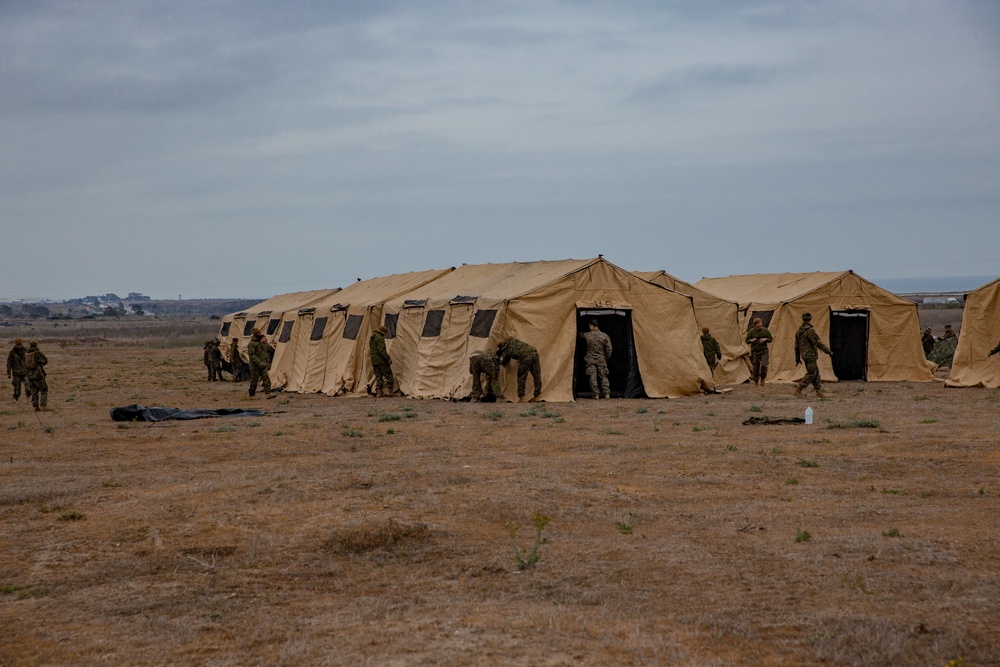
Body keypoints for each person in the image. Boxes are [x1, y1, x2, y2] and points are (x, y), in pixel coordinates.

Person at [794, 312, 832, 398]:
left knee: (816, 372)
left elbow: (796, 345)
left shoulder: (799, 331)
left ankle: (818, 391)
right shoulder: (810, 331)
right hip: (810, 355)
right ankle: (799, 389)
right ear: (810, 319)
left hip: (804, 355)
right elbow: (817, 343)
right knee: (812, 373)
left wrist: (797, 357)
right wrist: (828, 351)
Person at [496, 337, 542, 402]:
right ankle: (537, 396)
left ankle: (522, 397)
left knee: (521, 377)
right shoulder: (512, 340)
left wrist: (499, 361)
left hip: (525, 358)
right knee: (537, 376)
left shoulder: (506, 350)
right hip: (534, 353)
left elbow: (505, 362)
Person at [580, 320, 612, 399]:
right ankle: (606, 393)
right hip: (601, 359)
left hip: (591, 360)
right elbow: (609, 348)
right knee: (603, 376)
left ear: (591, 326)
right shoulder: (604, 336)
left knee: (592, 377)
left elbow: (581, 334)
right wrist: (606, 357)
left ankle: (595, 394)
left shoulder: (588, 335)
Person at [745, 318, 773, 386]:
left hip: (764, 350)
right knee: (755, 367)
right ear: (755, 325)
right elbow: (747, 340)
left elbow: (770, 339)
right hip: (755, 351)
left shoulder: (765, 330)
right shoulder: (751, 331)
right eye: (758, 323)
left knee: (764, 365)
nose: (760, 324)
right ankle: (756, 381)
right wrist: (751, 340)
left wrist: (765, 339)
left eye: (760, 323)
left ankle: (762, 378)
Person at [23, 339, 49, 412]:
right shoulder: (37, 353)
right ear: (36, 344)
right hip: (38, 375)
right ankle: (43, 406)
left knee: (34, 391)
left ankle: (35, 407)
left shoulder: (26, 354)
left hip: (29, 375)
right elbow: (45, 360)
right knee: (44, 389)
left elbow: (24, 363)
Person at [369, 325, 394, 398]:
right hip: (381, 360)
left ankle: (379, 392)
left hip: (374, 360)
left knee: (378, 376)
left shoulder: (372, 337)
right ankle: (389, 391)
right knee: (388, 374)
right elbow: (381, 350)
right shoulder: (380, 338)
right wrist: (388, 358)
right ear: (382, 332)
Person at [247, 329, 272, 396]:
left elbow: (265, 351)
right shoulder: (252, 344)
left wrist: (265, 343)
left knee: (266, 379)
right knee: (254, 381)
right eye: (258, 333)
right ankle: (252, 394)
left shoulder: (260, 342)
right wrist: (259, 362)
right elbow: (252, 355)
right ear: (255, 334)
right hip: (255, 366)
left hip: (263, 365)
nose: (260, 334)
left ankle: (268, 393)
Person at [6, 337, 28, 402]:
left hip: (25, 372)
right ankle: (16, 399)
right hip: (16, 373)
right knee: (17, 388)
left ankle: (28, 397)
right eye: (18, 345)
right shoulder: (12, 352)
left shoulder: (25, 350)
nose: (19, 346)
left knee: (28, 386)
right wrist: (8, 373)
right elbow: (9, 362)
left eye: (20, 345)